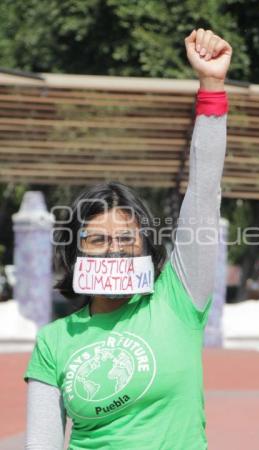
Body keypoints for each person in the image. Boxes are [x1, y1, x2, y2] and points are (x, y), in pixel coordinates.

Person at [24, 28, 232, 450]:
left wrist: (211, 87)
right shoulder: (54, 341)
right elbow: (41, 442)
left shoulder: (179, 299)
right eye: (97, 240)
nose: (114, 248)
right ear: (76, 249)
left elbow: (204, 193)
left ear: (145, 244)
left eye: (125, 237)